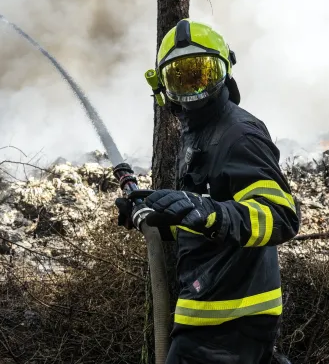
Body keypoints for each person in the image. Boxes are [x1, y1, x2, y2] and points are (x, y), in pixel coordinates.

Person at [116, 19, 301, 363]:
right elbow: (212, 216)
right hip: (213, 313)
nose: (193, 90)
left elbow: (280, 216)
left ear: (225, 71)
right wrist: (162, 219)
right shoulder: (200, 133)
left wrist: (207, 211)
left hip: (231, 319)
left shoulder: (239, 134)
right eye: (181, 78)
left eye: (202, 73)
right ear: (162, 86)